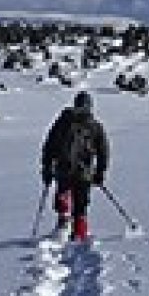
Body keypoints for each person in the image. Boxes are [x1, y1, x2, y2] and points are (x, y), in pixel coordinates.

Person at [41, 91, 109, 241]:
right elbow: (50, 146)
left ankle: (73, 229)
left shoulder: (90, 126)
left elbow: (103, 151)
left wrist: (100, 172)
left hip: (75, 171)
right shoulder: (69, 123)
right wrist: (46, 167)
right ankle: (73, 228)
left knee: (76, 201)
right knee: (73, 200)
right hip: (73, 170)